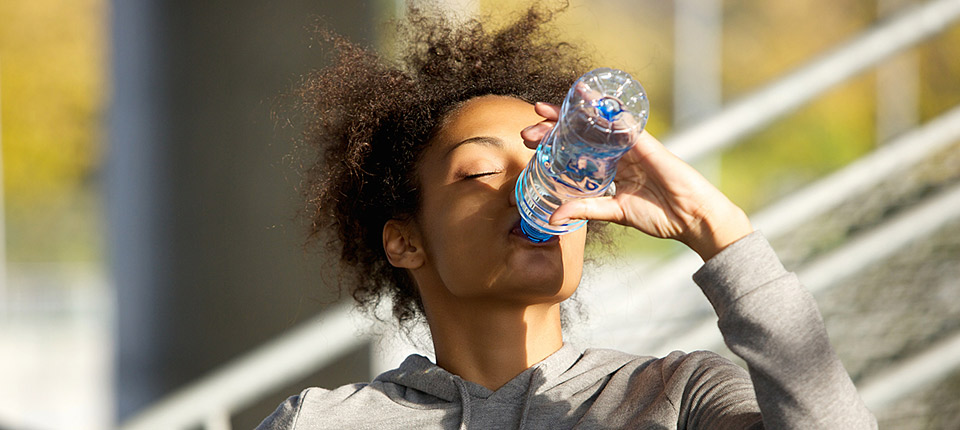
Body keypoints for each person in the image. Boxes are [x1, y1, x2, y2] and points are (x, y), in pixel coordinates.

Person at [259, 5, 877, 429]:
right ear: (404, 240)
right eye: (479, 171)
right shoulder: (321, 419)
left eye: (549, 164)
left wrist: (719, 233)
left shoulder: (677, 398)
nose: (530, 189)